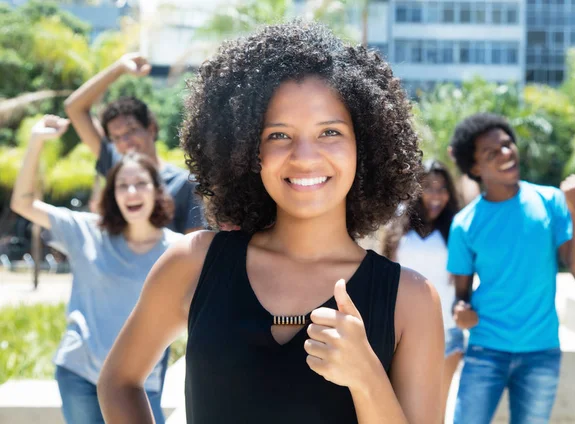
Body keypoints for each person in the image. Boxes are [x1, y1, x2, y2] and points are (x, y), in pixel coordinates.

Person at [98, 21, 444, 424]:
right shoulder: (192, 264)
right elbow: (118, 382)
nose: (304, 156)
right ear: (247, 150)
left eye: (329, 132)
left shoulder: (411, 300)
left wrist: (367, 379)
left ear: (364, 146)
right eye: (279, 135)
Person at [10, 115, 183, 424]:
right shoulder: (86, 230)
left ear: (157, 190)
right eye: (122, 185)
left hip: (142, 381)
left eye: (140, 184)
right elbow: (23, 203)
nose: (132, 192)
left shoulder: (179, 250)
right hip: (80, 376)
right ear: (112, 195)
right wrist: (36, 141)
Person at [447, 113, 575, 424]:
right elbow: (460, 297)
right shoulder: (465, 224)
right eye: (492, 152)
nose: (506, 153)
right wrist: (461, 311)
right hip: (485, 350)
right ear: (475, 169)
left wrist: (574, 209)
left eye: (507, 144)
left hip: (541, 351)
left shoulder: (550, 201)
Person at [64, 53, 204, 234]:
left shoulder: (183, 184)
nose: (126, 141)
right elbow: (74, 108)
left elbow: (195, 248)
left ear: (151, 128)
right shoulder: (115, 164)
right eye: (116, 137)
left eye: (131, 131)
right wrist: (120, 67)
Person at [382, 159, 463, 421]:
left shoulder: (457, 229)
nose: (436, 196)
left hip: (447, 331)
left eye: (442, 189)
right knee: (400, 411)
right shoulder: (400, 224)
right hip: (398, 333)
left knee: (435, 413)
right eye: (429, 188)